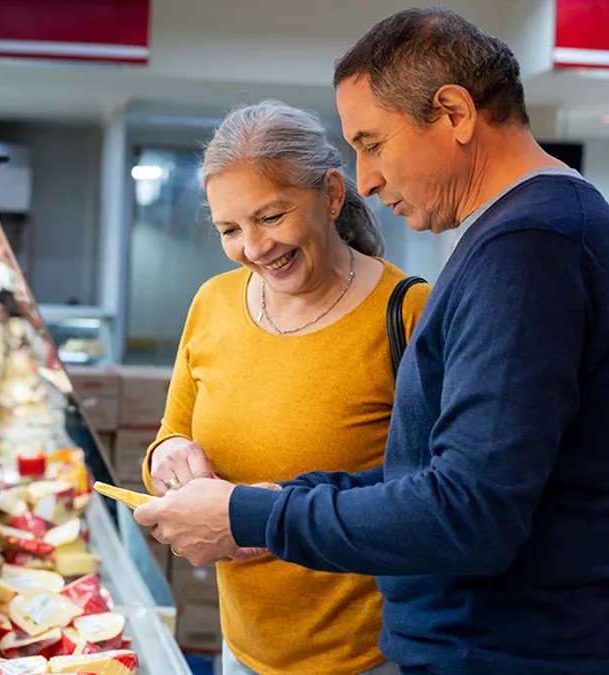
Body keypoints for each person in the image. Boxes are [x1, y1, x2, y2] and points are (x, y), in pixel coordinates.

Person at [135, 8, 609, 674]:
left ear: (453, 113)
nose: (366, 180)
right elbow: (443, 475)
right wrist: (268, 501)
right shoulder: (528, 236)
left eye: (373, 143)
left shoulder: (530, 250)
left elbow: (469, 513)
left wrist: (254, 517)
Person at [142, 100, 430, 675]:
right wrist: (169, 460)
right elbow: (168, 438)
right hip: (242, 649)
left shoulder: (409, 313)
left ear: (329, 194)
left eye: (270, 217)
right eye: (230, 229)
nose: (253, 248)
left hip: (368, 658)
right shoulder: (213, 303)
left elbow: (430, 497)